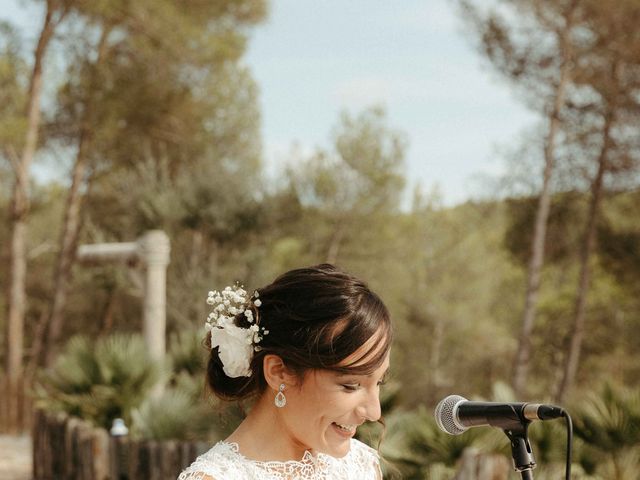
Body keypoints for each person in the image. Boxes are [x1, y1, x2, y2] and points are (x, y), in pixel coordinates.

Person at [178, 263, 392, 480]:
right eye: (350, 385)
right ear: (278, 372)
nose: (374, 413)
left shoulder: (361, 466)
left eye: (379, 383)